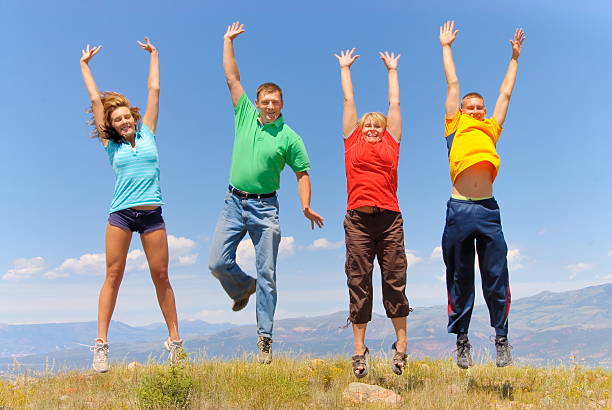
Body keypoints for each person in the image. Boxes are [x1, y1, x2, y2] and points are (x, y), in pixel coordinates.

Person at [208, 22, 324, 365]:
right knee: (216, 261)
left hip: (265, 209)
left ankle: (264, 339)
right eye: (265, 102)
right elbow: (232, 78)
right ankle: (242, 286)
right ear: (256, 103)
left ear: (282, 103)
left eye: (275, 102)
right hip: (233, 202)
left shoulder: (289, 137)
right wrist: (227, 40)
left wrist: (306, 206)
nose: (270, 107)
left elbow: (303, 173)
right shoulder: (244, 114)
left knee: (268, 274)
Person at [80, 38, 183, 373]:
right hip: (121, 215)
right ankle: (101, 346)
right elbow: (96, 100)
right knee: (113, 274)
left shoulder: (149, 133)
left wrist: (155, 55)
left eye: (127, 117)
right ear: (111, 125)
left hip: (152, 215)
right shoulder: (111, 146)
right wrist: (85, 66)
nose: (124, 122)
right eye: (118, 119)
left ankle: (175, 343)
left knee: (162, 275)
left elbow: (154, 90)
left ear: (134, 118)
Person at [439, 21, 525, 368]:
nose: (475, 110)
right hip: (459, 209)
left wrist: (515, 57)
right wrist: (446, 47)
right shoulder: (454, 125)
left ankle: (501, 338)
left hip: (488, 210)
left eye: (479, 107)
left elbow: (505, 94)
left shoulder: (491, 128)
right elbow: (453, 83)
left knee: (495, 274)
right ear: (460, 111)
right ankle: (462, 341)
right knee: (460, 277)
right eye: (470, 107)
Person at [335, 48, 410, 378]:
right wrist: (345, 68)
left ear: (384, 130)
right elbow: (349, 102)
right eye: (367, 125)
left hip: (389, 219)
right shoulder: (352, 142)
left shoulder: (391, 143)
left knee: (394, 281)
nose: (371, 127)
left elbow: (394, 106)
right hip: (358, 221)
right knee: (359, 282)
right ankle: (359, 351)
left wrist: (392, 71)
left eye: (376, 125)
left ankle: (401, 346)